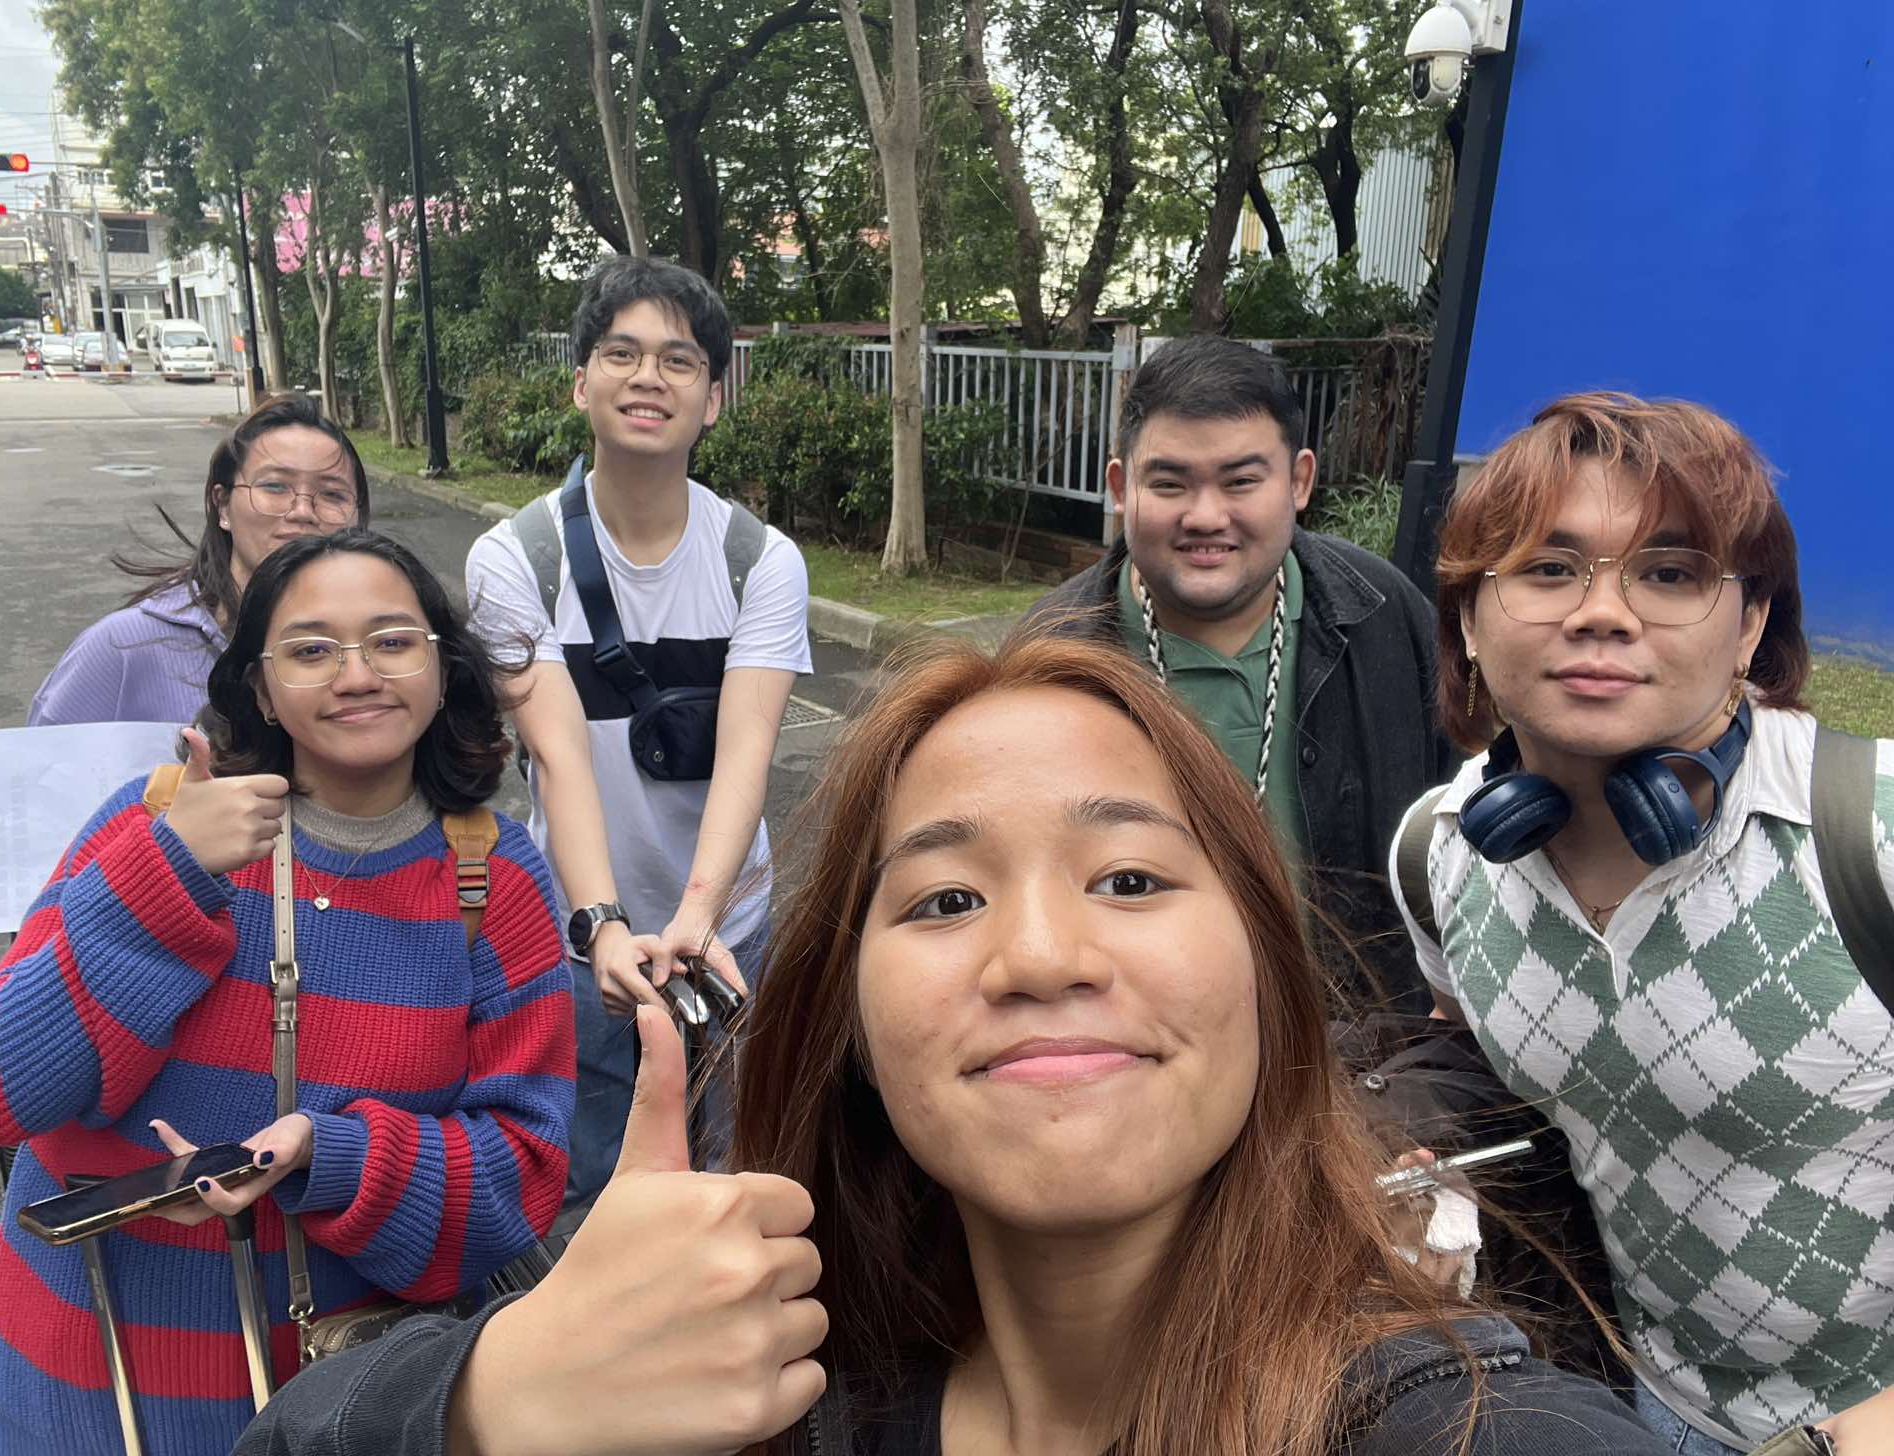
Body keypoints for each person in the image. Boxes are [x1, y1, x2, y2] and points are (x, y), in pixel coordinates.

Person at [230, 633, 1762, 1456]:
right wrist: (497, 1402)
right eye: (946, 898)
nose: (1039, 957)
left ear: (1266, 981)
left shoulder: (1467, 1430)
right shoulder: (749, 1396)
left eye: (1133, 880)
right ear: (847, 1026)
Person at [0, 530, 574, 1456]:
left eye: (393, 641)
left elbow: (520, 1179)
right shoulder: (151, 821)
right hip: (77, 1392)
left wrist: (333, 1158)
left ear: (444, 669)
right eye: (311, 650)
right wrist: (168, 875)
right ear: (261, 688)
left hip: (338, 1405)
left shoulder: (493, 879)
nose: (357, 674)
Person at [1391, 392, 1894, 1454]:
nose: (1602, 613)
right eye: (1547, 568)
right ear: (1467, 619)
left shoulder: (1873, 834)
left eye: (1668, 574)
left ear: (1749, 623)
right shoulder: (1436, 853)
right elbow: (1463, 1052)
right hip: (1639, 1400)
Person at [464, 254, 810, 1208]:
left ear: (713, 400)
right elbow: (559, 756)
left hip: (730, 926)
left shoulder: (758, 561)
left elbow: (747, 751)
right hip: (578, 935)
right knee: (591, 1176)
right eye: (621, 354)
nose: (648, 377)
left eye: (678, 360)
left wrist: (699, 920)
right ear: (581, 383)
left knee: (734, 1159)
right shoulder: (514, 558)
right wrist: (603, 925)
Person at [1029, 334, 1453, 1005]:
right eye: (1170, 483)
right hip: (1135, 1030)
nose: (1206, 517)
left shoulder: (1385, 614)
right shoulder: (1049, 657)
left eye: (1241, 482)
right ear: (1121, 488)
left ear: (1299, 481)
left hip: (1362, 1037)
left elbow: (1456, 809)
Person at [28, 392, 370, 727]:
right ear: (222, 505)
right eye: (275, 487)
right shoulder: (124, 647)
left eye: (332, 494)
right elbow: (44, 761)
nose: (303, 511)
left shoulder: (386, 649)